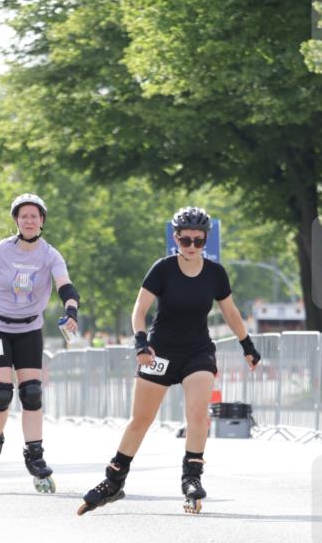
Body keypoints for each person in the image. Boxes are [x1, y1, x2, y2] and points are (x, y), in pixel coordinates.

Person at [79, 206, 260, 516]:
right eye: (185, 240)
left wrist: (247, 344)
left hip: (197, 351)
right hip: (159, 352)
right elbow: (139, 310)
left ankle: (191, 479)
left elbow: (230, 312)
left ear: (206, 241)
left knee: (199, 414)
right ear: (176, 238)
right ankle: (114, 481)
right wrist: (140, 342)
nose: (191, 247)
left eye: (198, 241)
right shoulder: (162, 269)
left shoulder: (216, 273)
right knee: (141, 421)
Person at [0, 193, 80, 492]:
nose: (29, 220)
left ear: (42, 221)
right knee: (2, 393)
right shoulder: (0, 251)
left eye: (34, 216)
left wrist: (71, 310)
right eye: (23, 216)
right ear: (16, 220)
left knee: (32, 393)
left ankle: (35, 457)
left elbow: (65, 285)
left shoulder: (50, 254)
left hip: (29, 329)